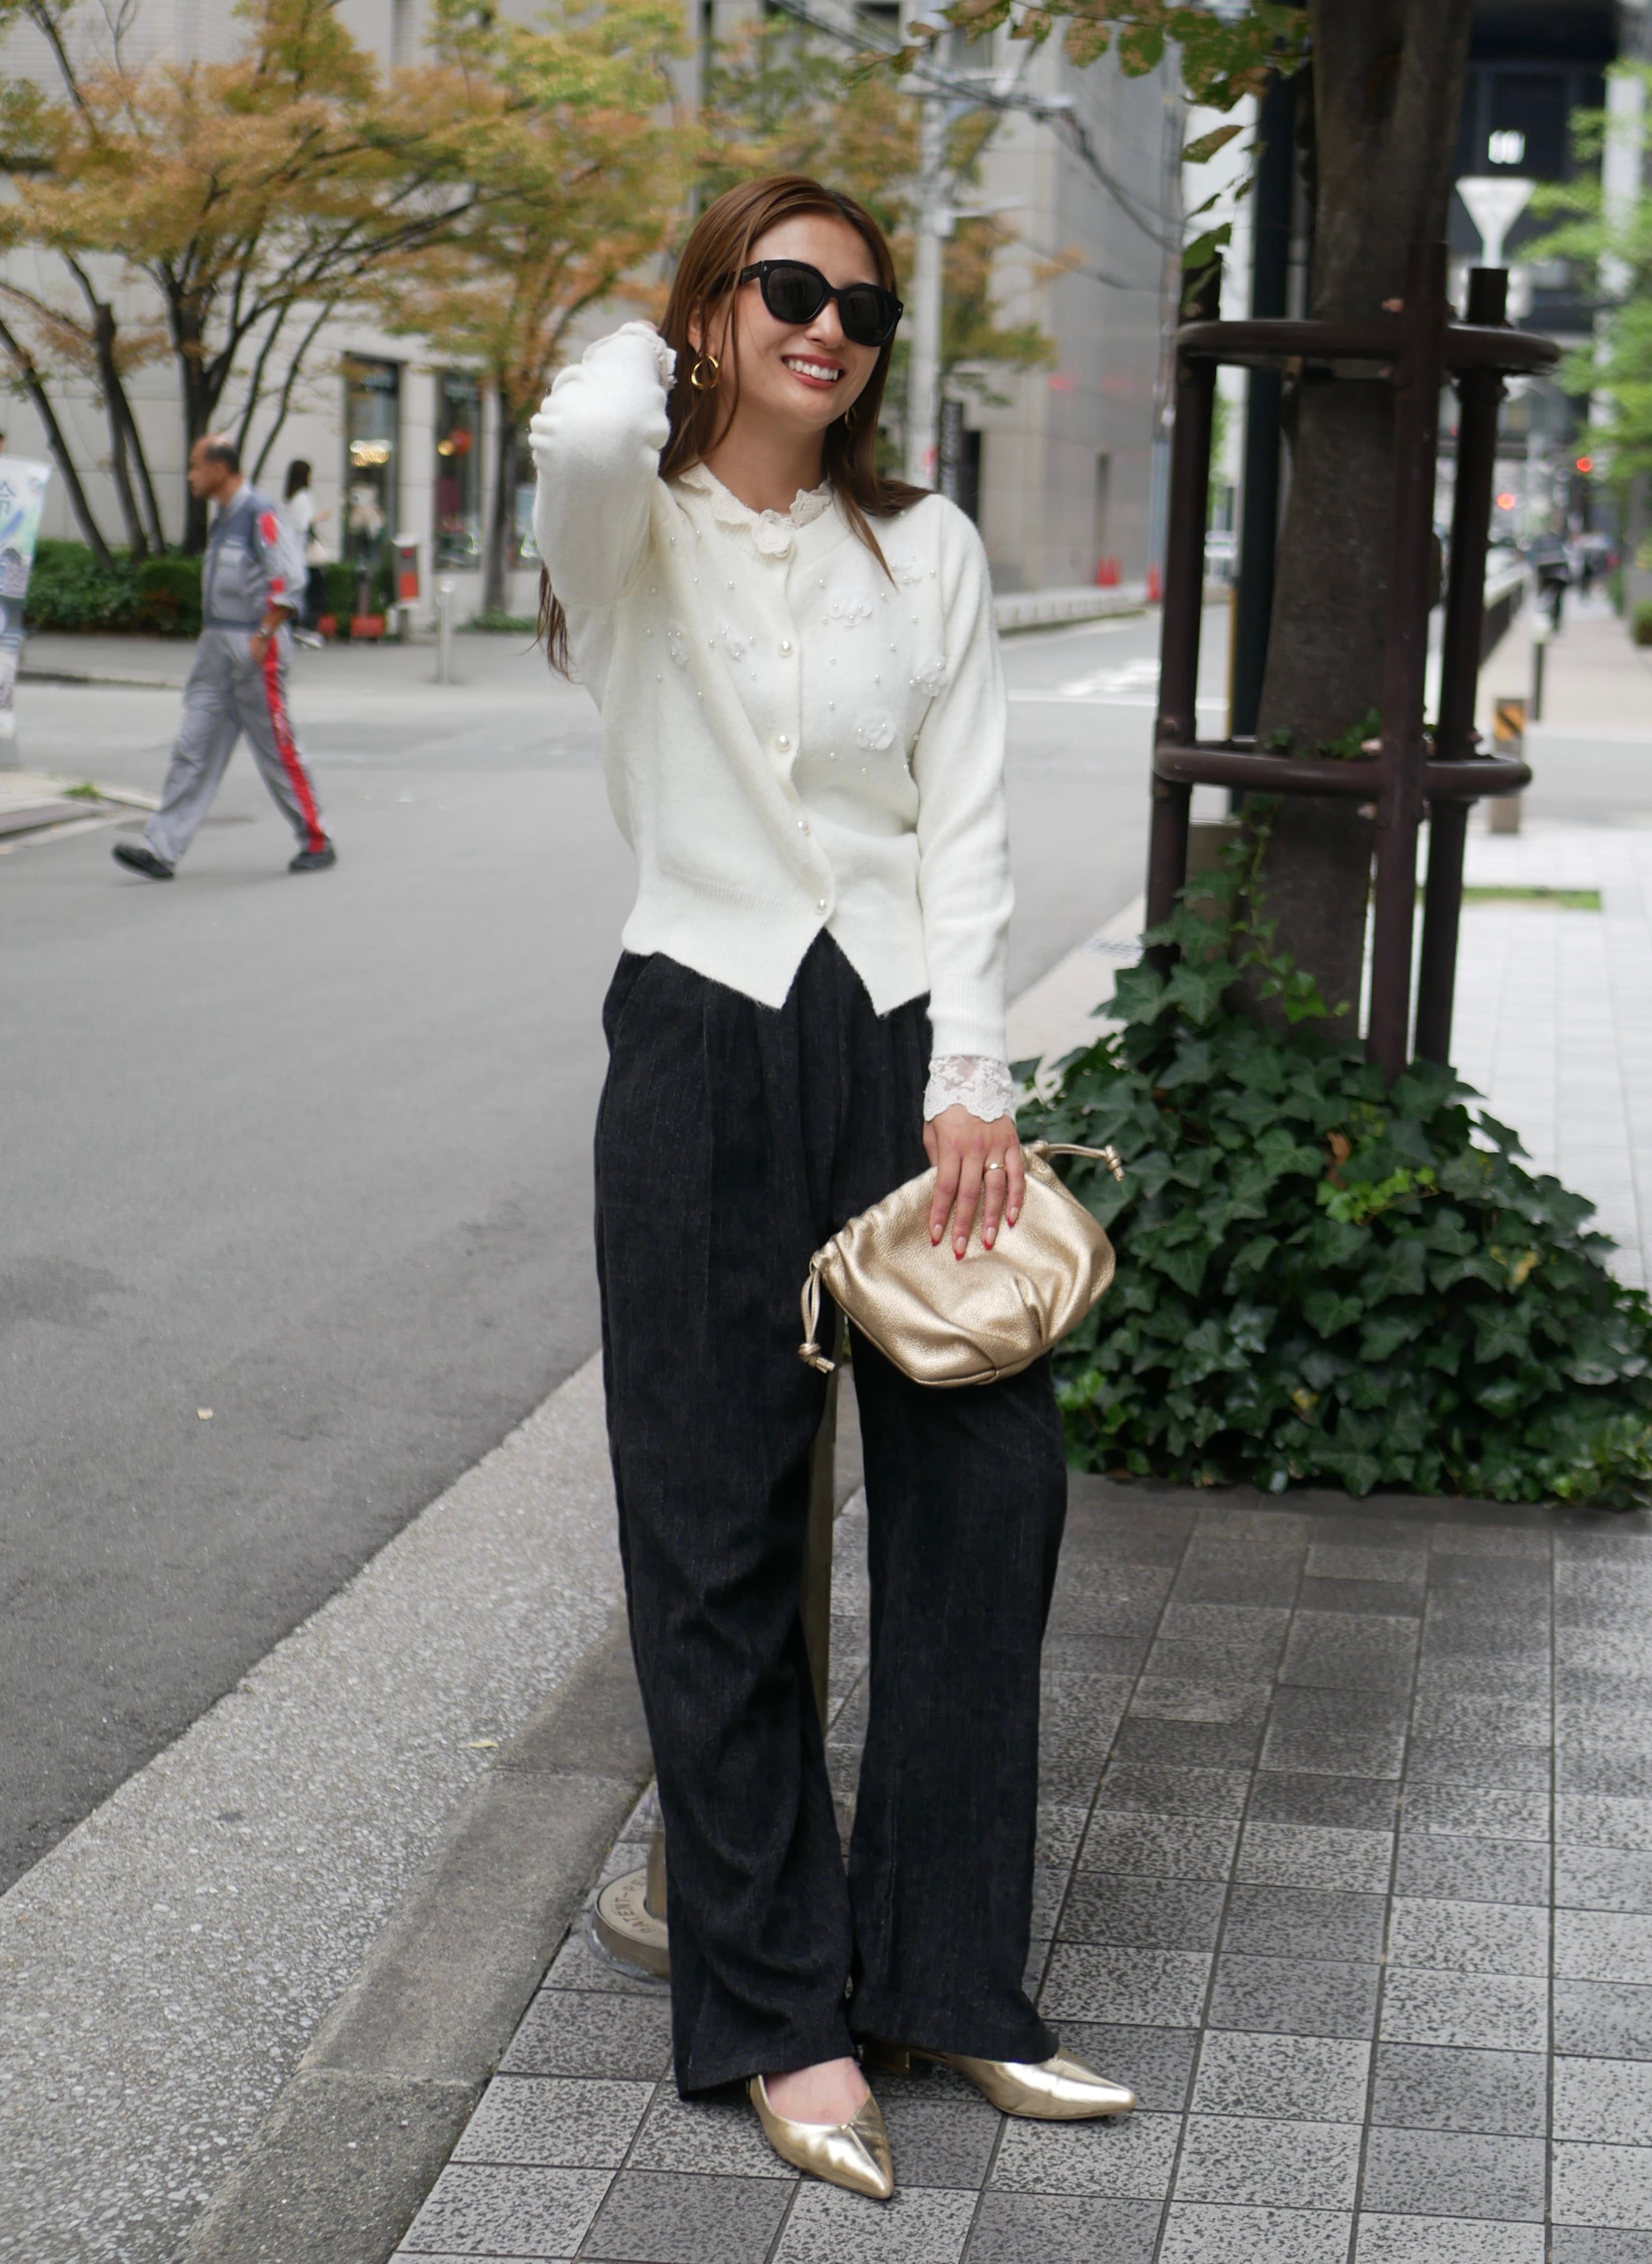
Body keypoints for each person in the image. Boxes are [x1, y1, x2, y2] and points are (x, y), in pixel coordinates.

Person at [530, 173, 1134, 2205]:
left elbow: (965, 824)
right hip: (699, 1043)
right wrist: (667, 331)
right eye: (787, 290)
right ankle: (781, 2006)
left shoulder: (926, 544)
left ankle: (949, 1973)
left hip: (902, 1055)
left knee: (990, 1494)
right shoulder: (624, 531)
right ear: (711, 308)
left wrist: (973, 1077)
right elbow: (586, 423)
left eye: (862, 310)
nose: (828, 330)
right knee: (712, 1536)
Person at [112, 436, 336, 881]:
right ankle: (161, 849)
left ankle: (316, 838)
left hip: (254, 647)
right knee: (192, 748)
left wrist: (264, 632)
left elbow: (290, 580)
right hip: (216, 649)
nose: (190, 475)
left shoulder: (260, 514)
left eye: (196, 466)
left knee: (277, 749)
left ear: (220, 469)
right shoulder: (223, 519)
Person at [280, 457, 330, 648]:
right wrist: (320, 517)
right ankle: (306, 629)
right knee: (317, 593)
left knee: (303, 593)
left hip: (294, 555)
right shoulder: (302, 498)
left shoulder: (290, 498)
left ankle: (299, 628)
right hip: (305, 556)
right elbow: (304, 526)